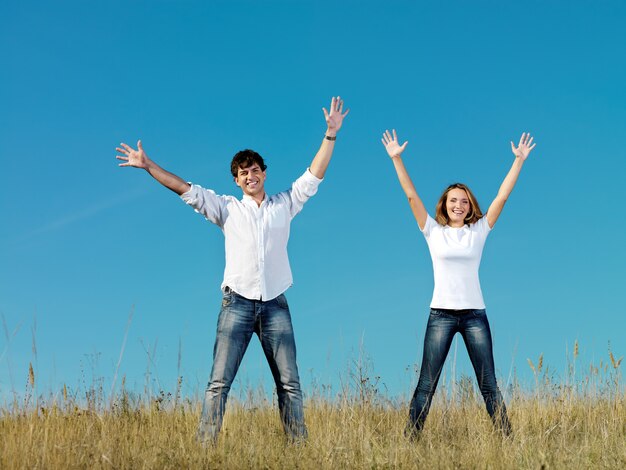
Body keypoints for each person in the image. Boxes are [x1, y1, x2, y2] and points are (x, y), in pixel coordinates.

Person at [116, 97, 349, 443]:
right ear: (237, 181)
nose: (250, 175)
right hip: (237, 303)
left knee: (289, 383)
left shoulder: (284, 204)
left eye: (255, 170)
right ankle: (204, 446)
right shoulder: (226, 208)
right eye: (243, 173)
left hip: (275, 304)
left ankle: (300, 448)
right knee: (219, 382)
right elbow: (185, 189)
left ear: (264, 173)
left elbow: (314, 175)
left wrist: (330, 135)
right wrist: (149, 165)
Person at [381, 129, 536, 438]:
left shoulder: (479, 230)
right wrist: (397, 159)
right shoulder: (432, 231)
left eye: (464, 201)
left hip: (475, 314)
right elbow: (411, 195)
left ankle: (507, 439)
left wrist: (518, 161)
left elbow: (502, 197)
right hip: (440, 314)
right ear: (445, 204)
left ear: (469, 206)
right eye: (453, 200)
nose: (458, 205)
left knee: (488, 383)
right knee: (427, 383)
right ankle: (410, 439)